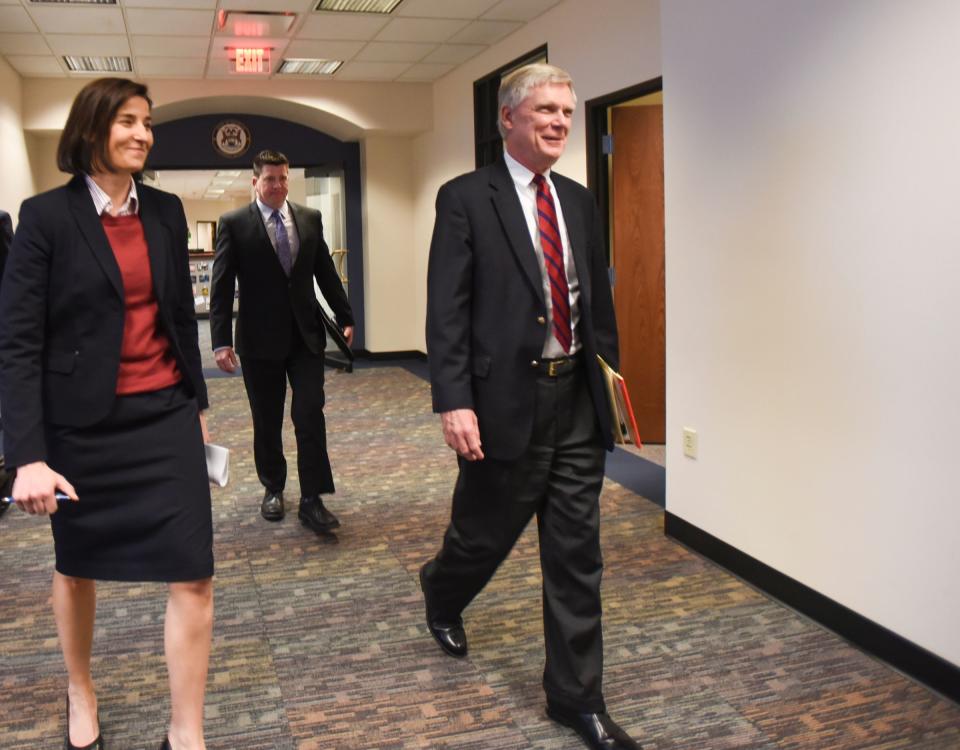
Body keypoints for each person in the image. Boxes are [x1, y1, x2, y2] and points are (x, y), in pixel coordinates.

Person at [419, 64, 643, 750]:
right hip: (504, 401)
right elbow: (447, 310)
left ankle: (577, 699)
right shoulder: (465, 198)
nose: (558, 122)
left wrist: (610, 386)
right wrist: (455, 402)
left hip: (574, 397)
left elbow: (594, 306)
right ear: (508, 119)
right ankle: (443, 589)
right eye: (544, 110)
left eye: (567, 113)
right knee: (483, 535)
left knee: (576, 553)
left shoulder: (577, 199)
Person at [0, 78, 213, 750]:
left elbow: (179, 316)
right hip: (82, 427)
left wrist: (198, 409)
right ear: (92, 129)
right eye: (127, 121)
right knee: (77, 565)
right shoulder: (46, 218)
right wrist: (26, 455)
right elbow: (18, 343)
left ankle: (187, 730)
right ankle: (79, 686)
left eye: (147, 123)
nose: (142, 135)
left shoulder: (167, 211)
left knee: (194, 571)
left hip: (165, 416)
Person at [209, 150, 354, 534]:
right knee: (267, 419)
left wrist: (345, 315)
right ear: (254, 182)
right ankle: (273, 487)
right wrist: (220, 340)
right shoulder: (234, 223)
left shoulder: (308, 218)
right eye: (270, 179)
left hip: (305, 337)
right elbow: (221, 286)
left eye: (283, 178)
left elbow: (324, 269)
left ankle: (313, 498)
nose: (277, 185)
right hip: (258, 340)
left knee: (309, 413)